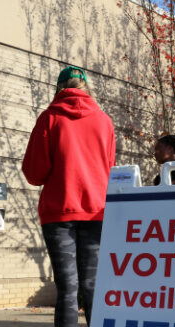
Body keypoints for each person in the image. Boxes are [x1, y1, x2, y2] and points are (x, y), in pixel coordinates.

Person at [22, 66, 116, 327]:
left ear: (59, 88)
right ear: (86, 88)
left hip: (59, 212)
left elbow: (34, 174)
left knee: (68, 289)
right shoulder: (104, 121)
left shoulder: (49, 118)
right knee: (93, 286)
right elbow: (109, 168)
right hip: (96, 211)